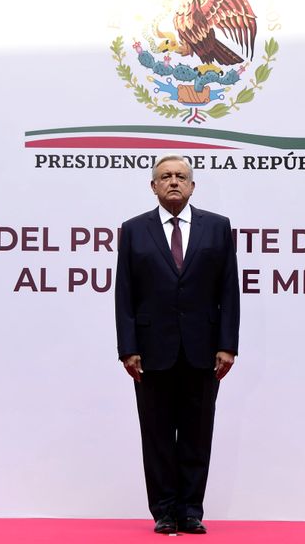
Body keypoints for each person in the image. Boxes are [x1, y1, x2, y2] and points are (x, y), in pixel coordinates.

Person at [115, 154, 240, 534]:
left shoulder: (217, 228)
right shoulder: (134, 230)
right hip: (151, 351)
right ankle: (165, 511)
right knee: (155, 434)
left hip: (204, 350)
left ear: (192, 185)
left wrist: (227, 345)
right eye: (165, 176)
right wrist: (128, 347)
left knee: (197, 433)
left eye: (181, 176)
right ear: (153, 186)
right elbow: (125, 293)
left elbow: (228, 291)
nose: (173, 181)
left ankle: (190, 511)